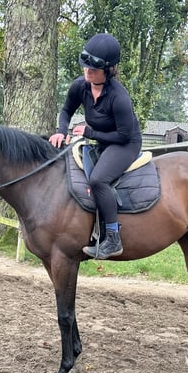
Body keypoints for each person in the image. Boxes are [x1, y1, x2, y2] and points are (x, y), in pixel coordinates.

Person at [49, 33, 142, 259]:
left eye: (93, 69)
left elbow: (123, 136)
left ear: (108, 70)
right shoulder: (80, 86)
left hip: (126, 143)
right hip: (103, 139)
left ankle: (112, 238)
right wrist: (61, 130)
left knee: (98, 179)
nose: (87, 72)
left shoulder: (119, 97)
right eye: (85, 67)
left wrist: (89, 132)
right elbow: (66, 111)